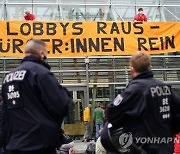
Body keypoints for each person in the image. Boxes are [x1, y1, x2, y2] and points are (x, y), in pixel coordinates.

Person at [0, 38, 72, 154]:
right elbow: (62, 104)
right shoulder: (40, 73)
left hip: (13, 146)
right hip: (39, 144)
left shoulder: (8, 78)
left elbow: (4, 116)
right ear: (42, 54)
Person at [100, 51, 180, 154]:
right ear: (150, 67)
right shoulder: (165, 88)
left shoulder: (134, 90)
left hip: (143, 147)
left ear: (131, 70)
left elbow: (112, 112)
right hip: (165, 147)